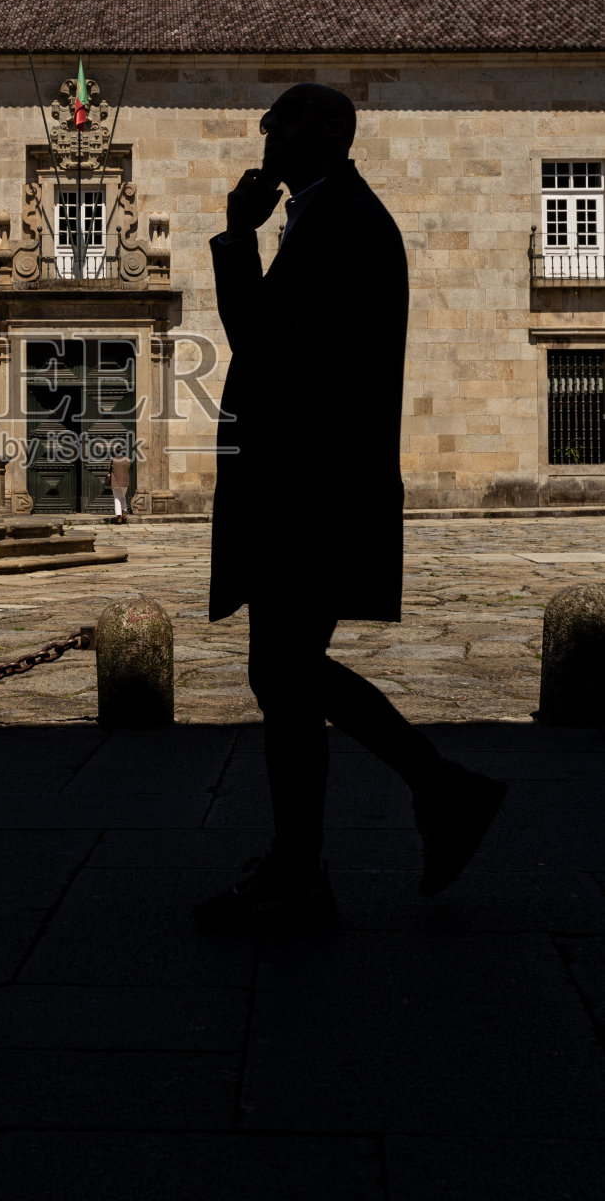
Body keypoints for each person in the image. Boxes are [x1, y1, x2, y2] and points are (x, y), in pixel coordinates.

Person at [194, 84, 506, 935]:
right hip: (303, 483)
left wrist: (234, 236)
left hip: (311, 488)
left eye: (282, 118)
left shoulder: (345, 224)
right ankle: (345, 840)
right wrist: (246, 234)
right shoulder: (321, 216)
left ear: (331, 130)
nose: (264, 129)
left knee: (285, 672)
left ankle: (412, 806)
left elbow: (258, 340)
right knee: (282, 674)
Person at [107, 442, 131, 524]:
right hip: (125, 482)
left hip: (115, 483)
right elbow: (129, 467)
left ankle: (119, 517)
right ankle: (124, 512)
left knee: (117, 498)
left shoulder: (113, 460)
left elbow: (109, 469)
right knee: (123, 497)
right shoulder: (127, 460)